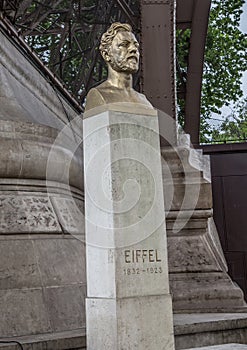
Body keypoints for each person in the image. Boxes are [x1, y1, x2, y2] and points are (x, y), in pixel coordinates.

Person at [84, 22, 153, 111]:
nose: (133, 49)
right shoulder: (98, 95)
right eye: (124, 45)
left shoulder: (145, 102)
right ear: (106, 54)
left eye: (136, 45)